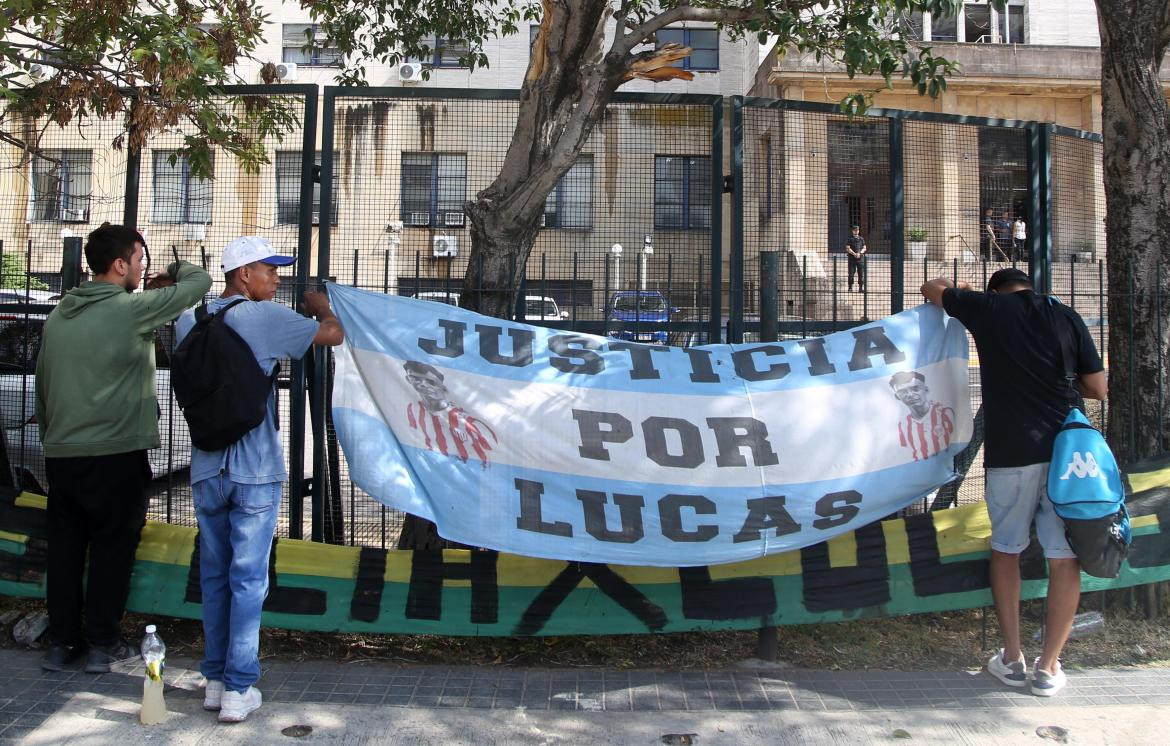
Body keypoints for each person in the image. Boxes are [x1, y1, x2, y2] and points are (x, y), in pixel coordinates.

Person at [176, 236, 343, 723]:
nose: (277, 278)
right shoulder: (263, 317)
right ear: (242, 274)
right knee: (248, 579)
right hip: (254, 471)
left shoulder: (190, 319)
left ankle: (213, 679)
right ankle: (239, 686)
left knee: (213, 576)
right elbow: (332, 335)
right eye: (269, 269)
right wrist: (322, 306)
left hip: (207, 468)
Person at [920, 267, 1106, 698]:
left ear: (996, 291)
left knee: (1006, 551)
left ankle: (1012, 656)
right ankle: (1049, 666)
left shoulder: (988, 309)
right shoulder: (1066, 315)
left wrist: (962, 292)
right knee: (1064, 559)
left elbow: (932, 288)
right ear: (1030, 286)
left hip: (1010, 453)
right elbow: (1097, 387)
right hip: (1065, 456)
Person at [36, 224, 212, 673]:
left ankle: (61, 644)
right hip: (114, 453)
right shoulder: (129, 310)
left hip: (62, 452)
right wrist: (172, 270)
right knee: (113, 548)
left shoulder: (60, 313)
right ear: (120, 265)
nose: (143, 268)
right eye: (140, 260)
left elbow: (43, 383)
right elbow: (200, 282)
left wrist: (54, 438)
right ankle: (102, 643)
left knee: (66, 550)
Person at [404, 360, 497, 468]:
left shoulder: (470, 422)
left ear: (442, 387)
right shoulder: (413, 410)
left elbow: (492, 454)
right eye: (416, 379)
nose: (424, 385)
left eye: (431, 382)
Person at [889, 371, 955, 461]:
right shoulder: (903, 425)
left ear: (926, 389)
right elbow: (905, 453)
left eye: (915, 389)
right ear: (897, 397)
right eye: (903, 392)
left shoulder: (945, 414)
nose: (910, 395)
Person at [843, 224, 867, 293]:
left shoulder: (861, 239)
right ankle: (850, 288)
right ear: (852, 231)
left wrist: (860, 253)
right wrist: (854, 254)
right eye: (855, 230)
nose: (856, 231)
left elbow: (864, 248)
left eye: (857, 230)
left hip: (860, 259)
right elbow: (848, 248)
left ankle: (860, 288)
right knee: (851, 274)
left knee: (861, 274)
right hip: (852, 259)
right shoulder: (850, 239)